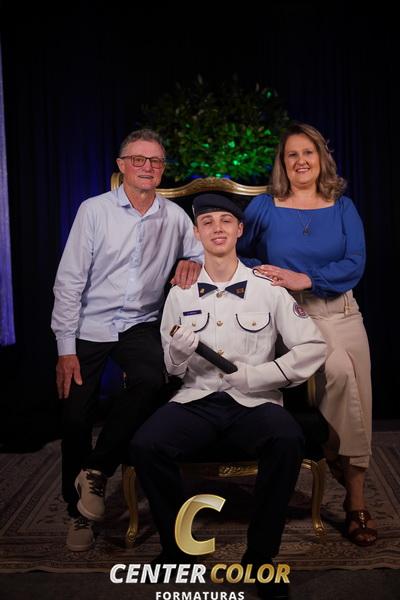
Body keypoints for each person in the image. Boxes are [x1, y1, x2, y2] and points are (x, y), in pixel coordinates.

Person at [130, 193, 326, 599]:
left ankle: (260, 558)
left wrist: (258, 376)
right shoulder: (180, 293)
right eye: (207, 222)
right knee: (146, 445)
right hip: (196, 399)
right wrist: (177, 354)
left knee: (287, 438)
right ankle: (178, 551)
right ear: (197, 232)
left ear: (239, 229)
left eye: (225, 221)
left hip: (255, 402)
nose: (217, 228)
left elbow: (312, 347)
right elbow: (172, 370)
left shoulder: (267, 288)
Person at [51, 128, 203, 552]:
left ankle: (96, 471)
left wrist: (192, 262)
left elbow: (200, 252)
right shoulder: (94, 210)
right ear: (122, 165)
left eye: (155, 161)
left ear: (162, 169)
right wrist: (65, 349)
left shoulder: (175, 217)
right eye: (138, 159)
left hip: (139, 323)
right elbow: (69, 281)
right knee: (75, 417)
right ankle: (77, 514)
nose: (147, 167)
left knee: (151, 379)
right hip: (89, 323)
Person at [237, 122, 377, 547]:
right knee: (339, 371)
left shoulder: (342, 207)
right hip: (293, 315)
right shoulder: (264, 208)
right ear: (282, 163)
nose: (301, 161)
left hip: (341, 310)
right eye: (292, 154)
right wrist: (270, 276)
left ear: (321, 158)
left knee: (359, 388)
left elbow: (355, 262)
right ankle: (340, 465)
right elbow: (239, 254)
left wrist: (308, 277)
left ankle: (354, 494)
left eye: (308, 153)